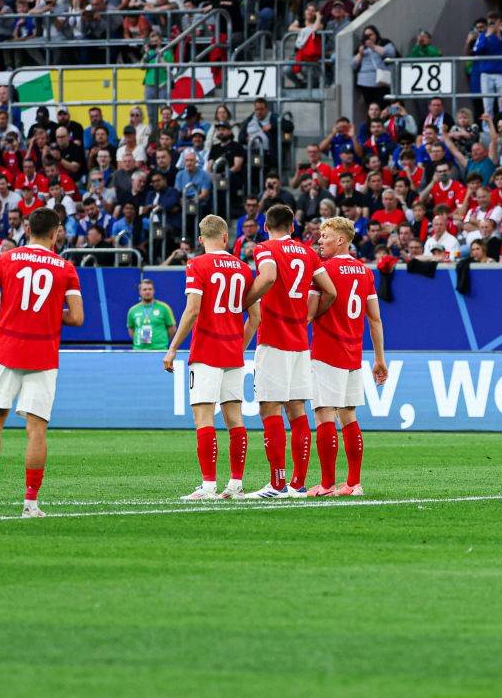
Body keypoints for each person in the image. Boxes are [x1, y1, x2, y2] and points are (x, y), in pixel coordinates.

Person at [0, 208, 84, 519]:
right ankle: (30, 502)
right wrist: (50, 312)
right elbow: (78, 317)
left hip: (8, 351)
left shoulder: (6, 259)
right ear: (56, 233)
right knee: (36, 429)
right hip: (42, 356)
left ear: (27, 229)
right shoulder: (65, 267)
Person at [242, 203, 337, 498]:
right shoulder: (308, 252)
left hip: (273, 340)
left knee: (269, 408)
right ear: (293, 226)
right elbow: (330, 291)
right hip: (299, 342)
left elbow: (268, 276)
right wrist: (307, 316)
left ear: (265, 226)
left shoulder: (265, 248)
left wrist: (245, 301)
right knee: (297, 410)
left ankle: (277, 483)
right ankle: (297, 483)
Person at [162, 215, 255, 501]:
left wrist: (173, 347)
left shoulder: (197, 264)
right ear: (226, 238)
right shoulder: (243, 268)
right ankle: (236, 485)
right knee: (235, 419)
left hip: (206, 351)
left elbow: (192, 310)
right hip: (232, 352)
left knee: (204, 417)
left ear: (201, 240)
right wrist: (239, 348)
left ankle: (208, 487)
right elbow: (256, 317)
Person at [308, 216, 390, 497]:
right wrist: (379, 358)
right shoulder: (364, 272)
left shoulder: (322, 270)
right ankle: (353, 483)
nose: (320, 241)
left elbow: (310, 311)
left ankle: (327, 484)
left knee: (324, 415)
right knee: (349, 416)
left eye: (325, 236)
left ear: (340, 240)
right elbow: (375, 319)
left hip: (327, 351)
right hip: (354, 354)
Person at [126, 278, 176, 351]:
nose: (147, 292)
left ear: (154, 291)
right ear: (140, 292)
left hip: (160, 350)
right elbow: (131, 330)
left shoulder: (164, 308)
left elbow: (172, 329)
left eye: (150, 289)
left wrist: (161, 341)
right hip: (138, 350)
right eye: (144, 289)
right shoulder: (132, 310)